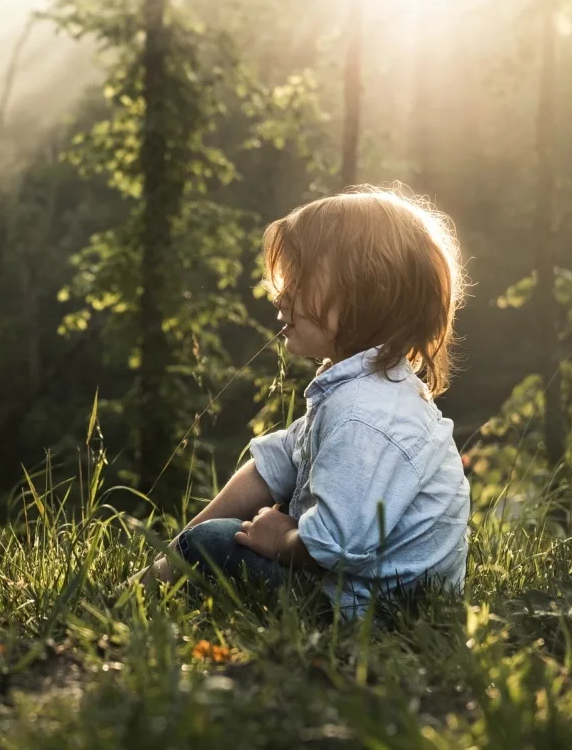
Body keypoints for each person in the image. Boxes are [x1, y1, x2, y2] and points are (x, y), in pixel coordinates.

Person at [133, 187, 471, 617]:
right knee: (204, 538)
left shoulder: (365, 415)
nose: (280, 296)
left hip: (368, 612)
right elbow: (273, 466)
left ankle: (138, 602)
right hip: (354, 592)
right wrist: (174, 548)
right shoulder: (355, 391)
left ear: (367, 290)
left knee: (214, 544)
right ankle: (147, 584)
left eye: (299, 279)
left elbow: (340, 543)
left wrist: (282, 541)